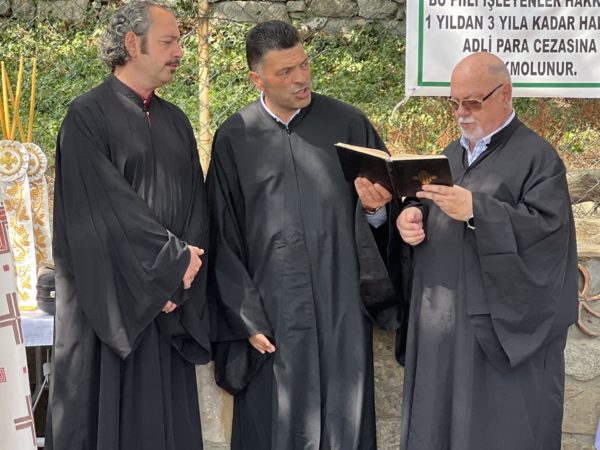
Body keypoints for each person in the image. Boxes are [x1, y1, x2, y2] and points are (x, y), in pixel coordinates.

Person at [206, 20, 397, 450]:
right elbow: (222, 233)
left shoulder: (349, 126)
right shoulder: (236, 137)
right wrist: (244, 316)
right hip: (273, 311)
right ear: (257, 78)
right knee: (274, 422)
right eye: (285, 72)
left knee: (344, 419)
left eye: (304, 65)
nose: (301, 79)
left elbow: (389, 216)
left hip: (341, 304)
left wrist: (376, 210)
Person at [46, 2, 210, 449]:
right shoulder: (86, 117)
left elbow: (196, 205)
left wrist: (181, 273)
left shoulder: (176, 120)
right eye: (168, 41)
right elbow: (101, 210)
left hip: (169, 307)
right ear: (133, 44)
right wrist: (168, 266)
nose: (179, 51)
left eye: (179, 41)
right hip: (111, 305)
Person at [394, 52, 578, 449]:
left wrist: (478, 210)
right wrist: (411, 216)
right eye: (454, 103)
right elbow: (424, 202)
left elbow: (548, 235)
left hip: (495, 333)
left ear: (505, 94)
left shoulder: (538, 158)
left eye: (473, 102)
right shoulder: (449, 154)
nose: (462, 113)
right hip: (440, 325)